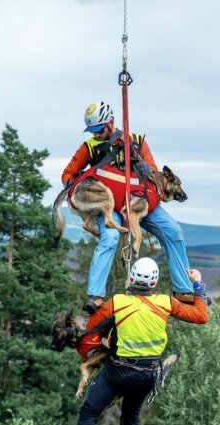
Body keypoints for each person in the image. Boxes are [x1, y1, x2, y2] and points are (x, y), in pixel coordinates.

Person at [66, 257, 209, 425]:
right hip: (149, 374)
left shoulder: (118, 302)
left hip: (120, 371)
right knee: (131, 418)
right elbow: (201, 315)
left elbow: (92, 326)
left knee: (88, 413)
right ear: (153, 283)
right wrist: (198, 285)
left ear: (131, 278)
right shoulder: (165, 302)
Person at [62, 101, 196, 315]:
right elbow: (67, 176)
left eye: (99, 130)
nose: (95, 134)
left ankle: (183, 290)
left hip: (140, 199)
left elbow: (154, 175)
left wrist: (136, 158)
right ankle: (94, 296)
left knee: (173, 231)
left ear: (111, 123)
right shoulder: (88, 147)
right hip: (111, 203)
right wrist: (83, 185)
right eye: (93, 131)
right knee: (110, 238)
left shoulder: (136, 141)